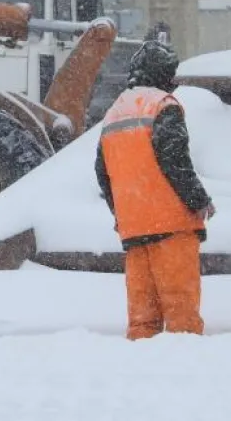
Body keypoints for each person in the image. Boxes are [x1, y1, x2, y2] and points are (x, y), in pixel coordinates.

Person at [94, 40, 216, 340]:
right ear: (164, 75)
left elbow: (102, 172)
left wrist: (121, 212)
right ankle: (182, 372)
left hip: (134, 229)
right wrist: (199, 200)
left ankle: (141, 374)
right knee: (181, 315)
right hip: (171, 225)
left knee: (142, 319)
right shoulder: (163, 106)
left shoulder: (114, 112)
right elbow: (174, 160)